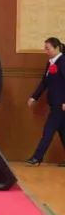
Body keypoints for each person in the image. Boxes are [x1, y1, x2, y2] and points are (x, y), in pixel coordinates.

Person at [25, 37, 65, 166]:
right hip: (54, 103)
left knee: (48, 130)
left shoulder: (63, 61)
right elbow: (44, 82)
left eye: (48, 48)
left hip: (60, 104)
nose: (45, 51)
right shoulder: (50, 63)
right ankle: (37, 158)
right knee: (63, 131)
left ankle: (37, 157)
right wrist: (34, 97)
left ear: (57, 48)